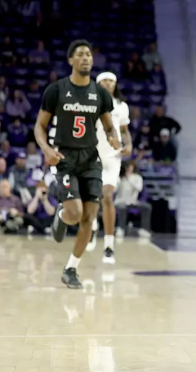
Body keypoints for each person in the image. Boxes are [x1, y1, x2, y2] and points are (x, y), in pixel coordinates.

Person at [34, 39, 120, 289]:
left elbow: (109, 126)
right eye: (81, 54)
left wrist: (113, 137)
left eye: (89, 55)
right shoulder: (56, 90)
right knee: (75, 214)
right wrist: (46, 149)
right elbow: (40, 126)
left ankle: (71, 268)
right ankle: (62, 215)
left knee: (90, 217)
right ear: (71, 60)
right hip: (65, 158)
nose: (86, 58)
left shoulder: (100, 94)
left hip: (91, 160)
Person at [94, 72, 133, 264]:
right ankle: (92, 226)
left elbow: (124, 130)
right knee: (91, 199)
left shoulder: (121, 106)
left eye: (111, 81)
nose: (108, 83)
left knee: (107, 197)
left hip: (112, 158)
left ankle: (109, 245)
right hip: (92, 156)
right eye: (104, 81)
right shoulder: (90, 103)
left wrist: (129, 145)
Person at [114, 162, 151, 238]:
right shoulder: (119, 177)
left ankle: (144, 229)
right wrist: (119, 180)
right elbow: (115, 190)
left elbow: (139, 188)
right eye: (127, 167)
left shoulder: (137, 177)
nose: (129, 169)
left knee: (147, 207)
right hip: (121, 201)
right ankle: (121, 228)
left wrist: (129, 179)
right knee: (121, 207)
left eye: (130, 167)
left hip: (133, 201)